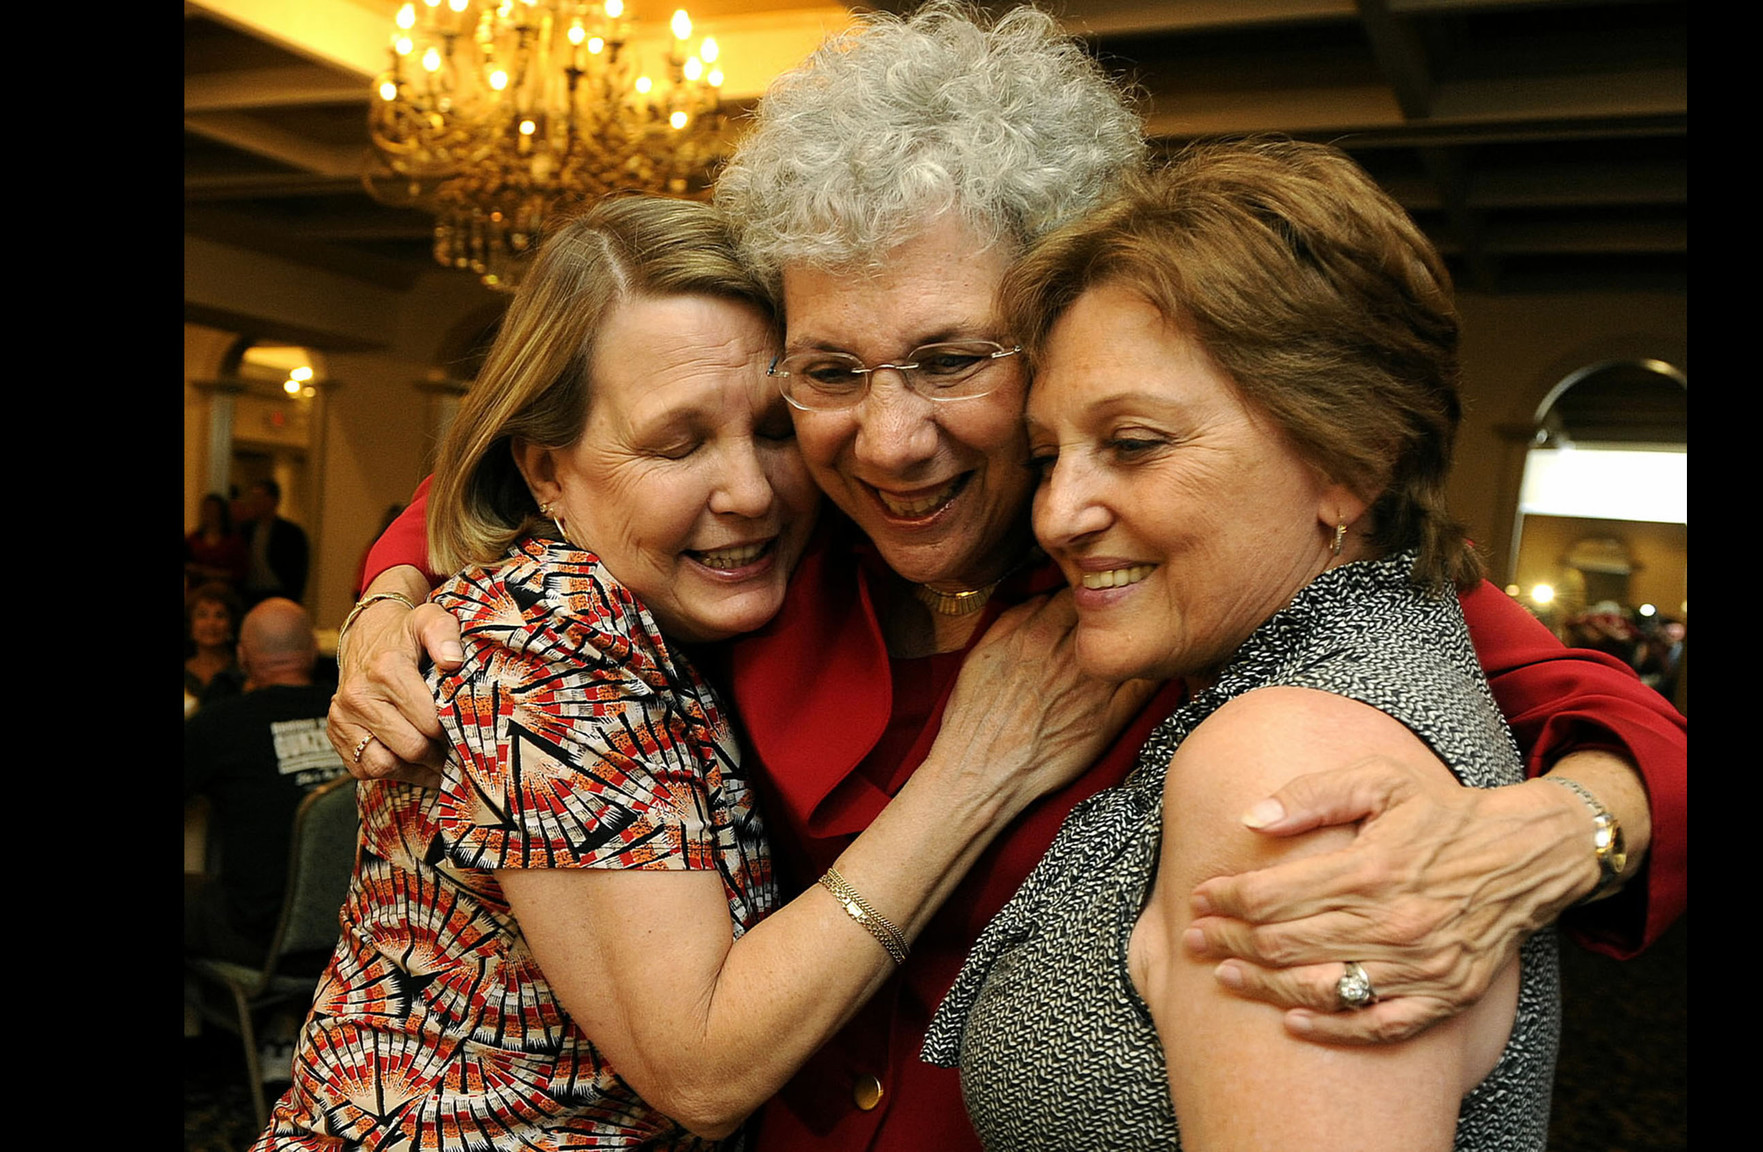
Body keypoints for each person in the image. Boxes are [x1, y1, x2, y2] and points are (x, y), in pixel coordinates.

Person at [330, 5, 1687, 1148]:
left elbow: (1589, 708)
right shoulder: (781, 555)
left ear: (1057, 334)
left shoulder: (1158, 580)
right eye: (831, 371)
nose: (890, 439)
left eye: (950, 359)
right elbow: (573, 482)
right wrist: (395, 588)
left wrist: (1566, 828)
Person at [256, 196, 1138, 1150]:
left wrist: (390, 581)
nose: (751, 492)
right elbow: (702, 1070)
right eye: (678, 446)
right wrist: (977, 767)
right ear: (548, 473)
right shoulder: (541, 635)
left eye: (772, 428)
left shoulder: (730, 572)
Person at [924, 139, 1557, 1149]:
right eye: (1048, 456)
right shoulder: (1335, 667)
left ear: (1347, 457)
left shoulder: (1287, 765)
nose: (1057, 514)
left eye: (1132, 444)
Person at [185, 597, 347, 968]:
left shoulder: (222, 724)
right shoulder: (356, 712)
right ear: (311, 650)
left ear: (241, 657)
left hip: (260, 937)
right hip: (357, 934)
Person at [240, 477, 311, 604]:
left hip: (279, 592)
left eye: (259, 497)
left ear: (273, 500)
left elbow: (298, 569)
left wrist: (293, 596)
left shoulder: (291, 533)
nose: (255, 502)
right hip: (250, 593)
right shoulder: (245, 530)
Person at [184, 580, 244, 711]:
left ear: (231, 624)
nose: (211, 624)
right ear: (190, 624)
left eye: (220, 615)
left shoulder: (242, 672)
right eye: (202, 615)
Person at [185, 491, 249, 592]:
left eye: (213, 509)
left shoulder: (233, 540)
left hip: (224, 591)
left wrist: (211, 573)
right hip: (198, 591)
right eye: (207, 509)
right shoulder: (194, 538)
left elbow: (240, 571)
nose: (210, 513)